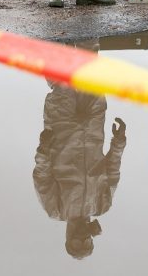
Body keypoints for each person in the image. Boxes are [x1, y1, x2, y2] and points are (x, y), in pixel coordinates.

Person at [33, 75, 127, 260]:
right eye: (87, 243)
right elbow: (113, 170)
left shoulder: (56, 210)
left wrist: (43, 150)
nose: (82, 239)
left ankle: (52, 46)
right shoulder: (102, 205)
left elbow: (42, 178)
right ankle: (87, 45)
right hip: (93, 129)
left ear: (68, 238)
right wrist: (118, 142)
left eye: (77, 243)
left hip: (62, 131)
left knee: (61, 81)